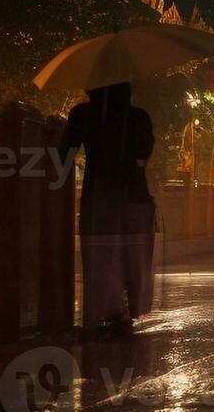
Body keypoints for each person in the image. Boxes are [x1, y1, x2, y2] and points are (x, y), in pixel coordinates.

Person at [61, 83, 155, 332]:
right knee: (131, 255)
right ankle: (126, 307)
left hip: (98, 193)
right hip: (133, 194)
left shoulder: (82, 114)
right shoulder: (138, 116)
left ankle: (104, 308)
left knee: (100, 253)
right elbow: (144, 151)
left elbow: (66, 151)